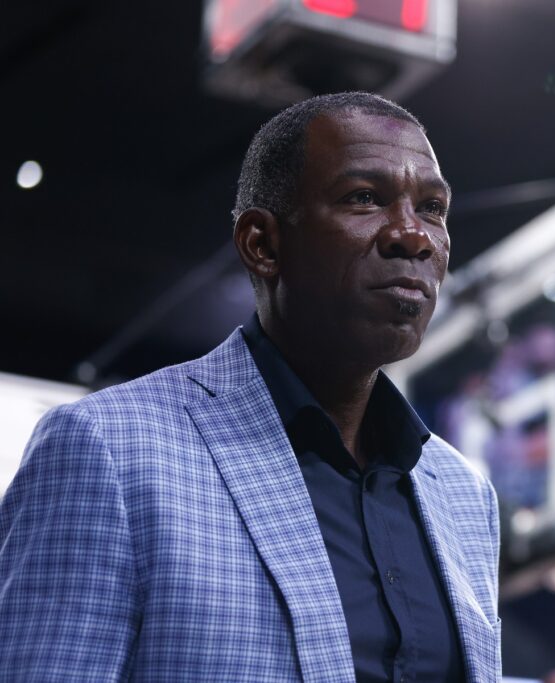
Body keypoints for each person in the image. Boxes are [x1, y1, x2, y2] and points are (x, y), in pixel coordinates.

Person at [0, 92, 501, 682]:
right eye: (364, 198)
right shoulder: (108, 449)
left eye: (433, 208)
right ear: (261, 244)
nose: (413, 235)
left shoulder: (465, 495)